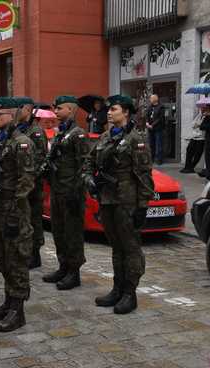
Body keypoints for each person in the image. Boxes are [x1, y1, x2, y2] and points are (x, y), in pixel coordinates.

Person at [84, 95, 154, 314]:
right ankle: (117, 289)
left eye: (113, 109)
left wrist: (142, 206)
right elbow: (88, 161)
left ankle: (129, 293)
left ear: (125, 112)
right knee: (116, 248)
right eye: (108, 109)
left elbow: (144, 176)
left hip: (127, 201)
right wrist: (89, 179)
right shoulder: (105, 136)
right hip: (107, 200)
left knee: (130, 248)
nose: (109, 112)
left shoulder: (137, 139)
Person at [0, 97, 35, 332]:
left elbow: (26, 180)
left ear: (12, 115)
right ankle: (8, 302)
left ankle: (18, 310)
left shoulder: (22, 143)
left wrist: (15, 211)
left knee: (17, 260)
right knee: (3, 258)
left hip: (14, 211)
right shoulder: (1, 141)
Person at [41, 96, 90, 290]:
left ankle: (74, 272)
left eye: (60, 108)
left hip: (71, 192)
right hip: (57, 189)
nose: (56, 111)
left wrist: (78, 191)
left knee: (72, 234)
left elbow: (84, 163)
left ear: (70, 110)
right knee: (59, 231)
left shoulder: (78, 134)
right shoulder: (61, 132)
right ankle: (63, 266)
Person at [15, 97, 48, 269]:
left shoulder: (36, 131)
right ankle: (25, 251)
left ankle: (34, 254)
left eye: (19, 108)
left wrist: (31, 180)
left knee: (34, 220)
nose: (16, 112)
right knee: (23, 219)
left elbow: (41, 159)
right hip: (21, 184)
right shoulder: (18, 130)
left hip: (33, 186)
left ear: (27, 110)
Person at [180, 108, 206, 174]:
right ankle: (187, 167)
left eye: (204, 109)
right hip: (194, 137)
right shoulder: (199, 115)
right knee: (189, 150)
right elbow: (193, 124)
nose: (202, 110)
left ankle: (191, 167)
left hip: (201, 138)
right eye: (202, 109)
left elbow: (202, 126)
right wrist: (196, 125)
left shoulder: (207, 117)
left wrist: (198, 125)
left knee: (197, 153)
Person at [146, 94, 165, 165]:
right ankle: (152, 159)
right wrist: (147, 123)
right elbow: (147, 115)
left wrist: (152, 125)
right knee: (151, 144)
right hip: (150, 129)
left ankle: (159, 160)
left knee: (158, 144)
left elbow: (160, 118)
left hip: (158, 129)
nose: (150, 99)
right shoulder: (149, 107)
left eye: (151, 98)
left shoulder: (161, 107)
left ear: (155, 99)